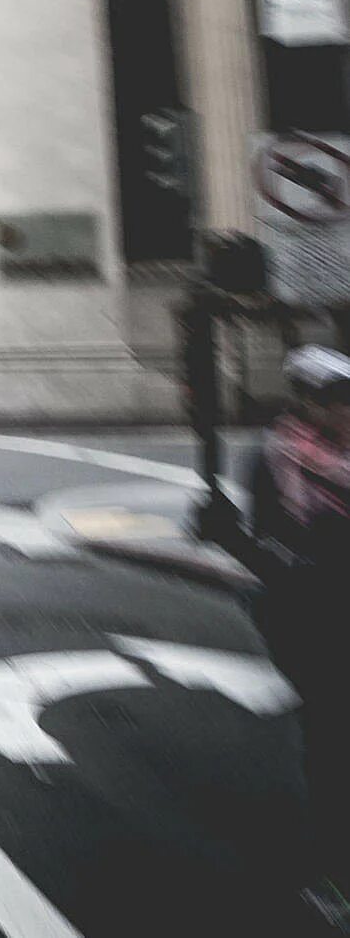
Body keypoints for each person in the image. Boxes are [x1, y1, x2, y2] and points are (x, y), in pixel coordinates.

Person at [248, 345, 350, 925]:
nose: (346, 412)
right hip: (318, 630)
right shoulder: (275, 461)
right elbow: (265, 546)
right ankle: (337, 879)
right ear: (308, 404)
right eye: (335, 401)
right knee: (335, 751)